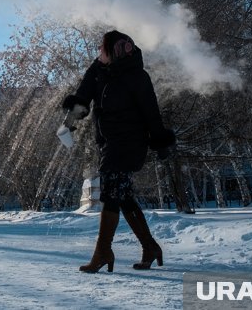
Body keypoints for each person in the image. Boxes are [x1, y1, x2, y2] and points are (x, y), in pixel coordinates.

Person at [61, 30, 175, 273]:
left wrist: (161, 142)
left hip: (131, 142)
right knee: (121, 195)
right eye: (105, 49)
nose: (100, 53)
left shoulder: (137, 76)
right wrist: (69, 122)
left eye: (104, 49)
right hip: (109, 143)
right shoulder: (99, 72)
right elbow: (83, 96)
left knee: (112, 190)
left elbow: (151, 112)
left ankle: (103, 252)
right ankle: (150, 247)